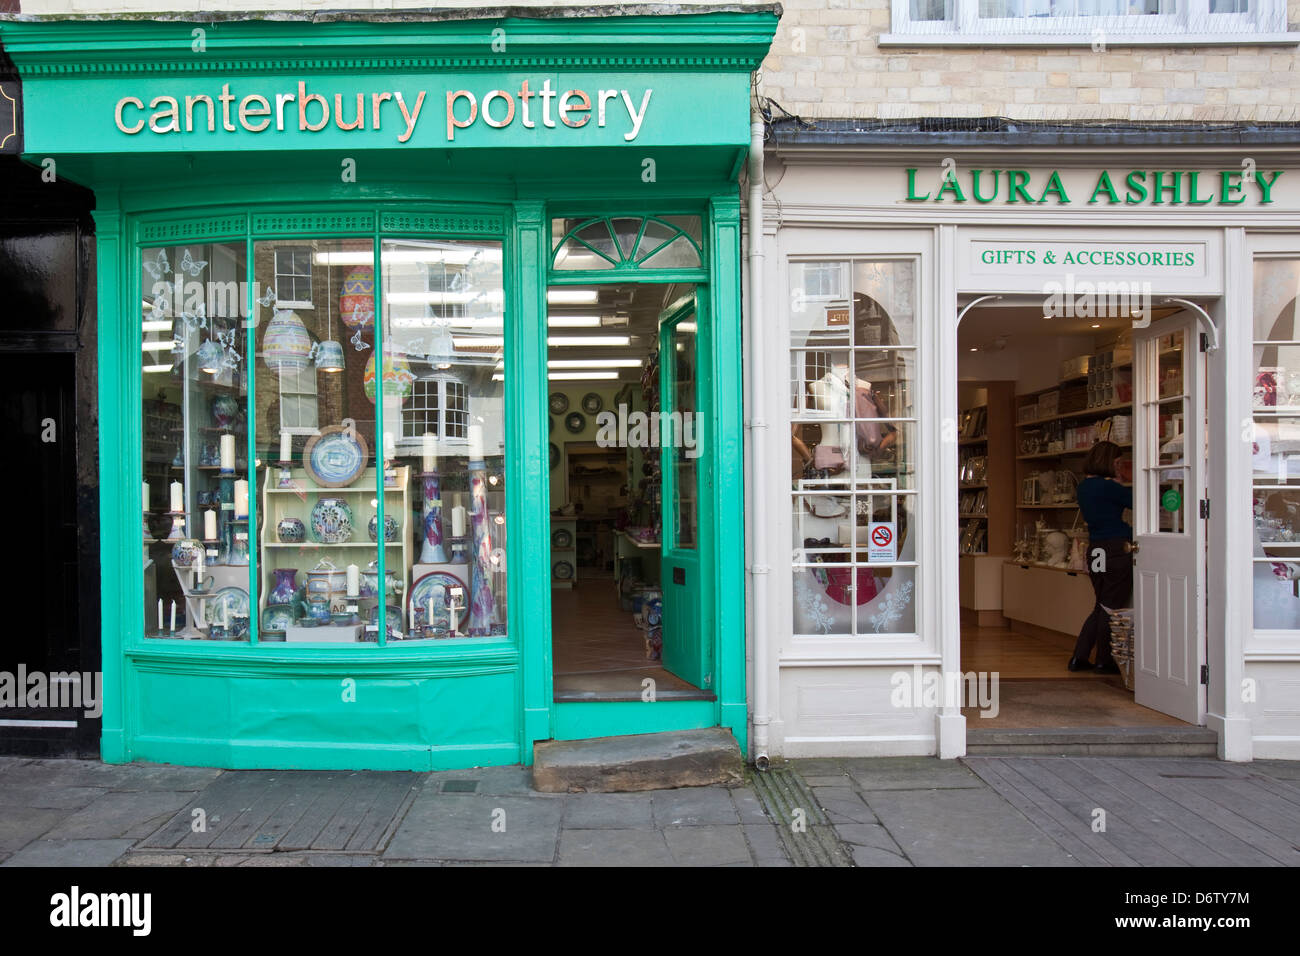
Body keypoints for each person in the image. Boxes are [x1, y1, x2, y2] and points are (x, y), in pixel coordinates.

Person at [1069, 440, 1132, 674]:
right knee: (1110, 607)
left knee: (1100, 604)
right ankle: (1104, 660)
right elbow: (1139, 502)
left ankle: (1080, 656)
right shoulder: (1110, 487)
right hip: (1116, 548)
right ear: (1108, 462)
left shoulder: (1084, 487)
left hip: (1095, 548)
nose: (1119, 467)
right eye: (1117, 462)